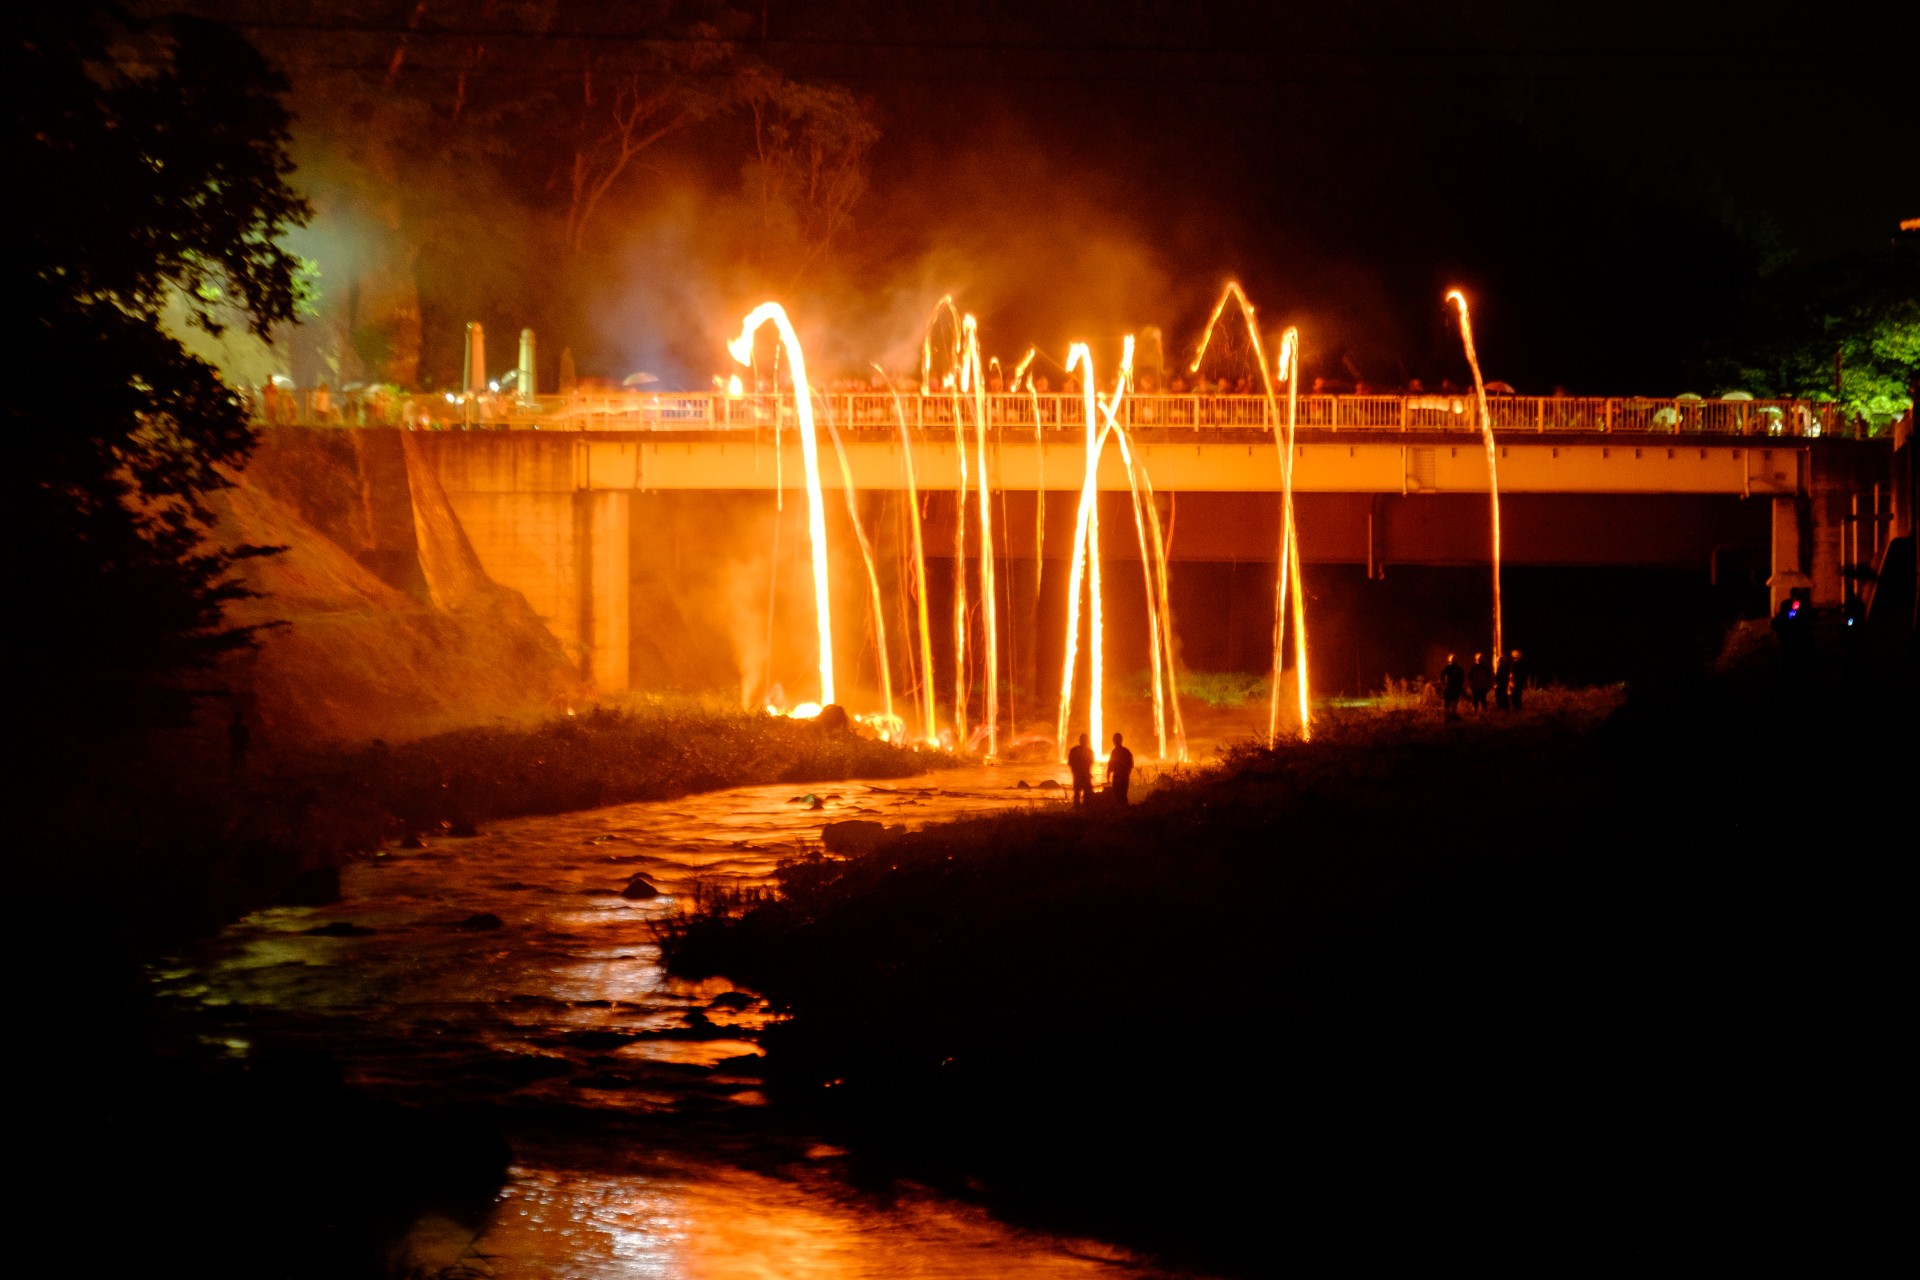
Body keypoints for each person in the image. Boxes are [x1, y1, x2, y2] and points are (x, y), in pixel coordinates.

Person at [1067, 733, 1095, 808]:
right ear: (1087, 741)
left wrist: (1075, 771)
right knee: (1087, 794)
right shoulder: (1090, 751)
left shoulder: (1074, 750)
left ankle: (1077, 810)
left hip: (1078, 776)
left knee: (1077, 794)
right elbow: (1091, 763)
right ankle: (1085, 810)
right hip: (1084, 776)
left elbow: (1070, 763)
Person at [1108, 732, 1135, 806]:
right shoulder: (1126, 751)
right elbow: (1131, 765)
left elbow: (1110, 765)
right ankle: (1124, 812)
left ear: (1114, 741)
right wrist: (1126, 774)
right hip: (1124, 778)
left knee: (1117, 796)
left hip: (1118, 777)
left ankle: (1120, 813)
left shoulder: (1114, 752)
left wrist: (1108, 775)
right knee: (1123, 795)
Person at [1441, 654, 1465, 721]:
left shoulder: (1449, 667)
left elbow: (1442, 675)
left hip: (1450, 687)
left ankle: (1448, 716)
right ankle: (1452, 715)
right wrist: (1461, 686)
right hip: (1455, 688)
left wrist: (1444, 684)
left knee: (1448, 702)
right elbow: (1462, 679)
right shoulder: (1459, 668)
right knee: (1453, 701)